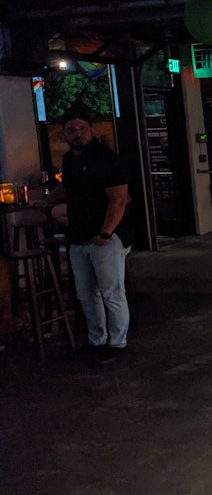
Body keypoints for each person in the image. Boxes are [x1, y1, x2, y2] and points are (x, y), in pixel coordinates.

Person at [60, 107, 133, 362]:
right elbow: (68, 189)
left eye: (81, 129)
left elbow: (119, 200)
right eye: (71, 130)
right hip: (79, 236)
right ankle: (97, 340)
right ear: (64, 135)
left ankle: (118, 342)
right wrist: (46, 203)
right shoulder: (69, 160)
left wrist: (106, 233)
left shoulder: (107, 159)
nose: (77, 134)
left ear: (91, 130)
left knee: (111, 292)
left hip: (105, 238)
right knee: (86, 294)